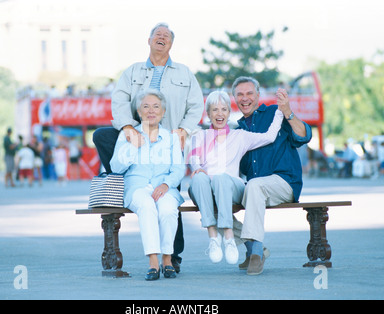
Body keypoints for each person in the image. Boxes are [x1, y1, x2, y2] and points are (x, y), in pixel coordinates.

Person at [92, 22, 204, 272]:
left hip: (169, 141)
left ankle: (172, 256)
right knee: (101, 135)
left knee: (169, 199)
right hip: (139, 135)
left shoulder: (184, 73)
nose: (161, 38)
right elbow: (119, 100)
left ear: (171, 44)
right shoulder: (133, 71)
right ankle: (121, 177)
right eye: (157, 35)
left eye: (166, 36)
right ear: (149, 40)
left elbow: (196, 106)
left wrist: (184, 130)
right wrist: (128, 129)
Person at [187, 91, 283, 265]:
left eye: (224, 109)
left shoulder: (239, 136)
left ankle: (229, 237)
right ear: (208, 114)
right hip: (204, 188)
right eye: (215, 109)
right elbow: (193, 160)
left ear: (228, 113)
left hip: (230, 186)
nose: (219, 114)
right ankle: (213, 237)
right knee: (201, 178)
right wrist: (198, 169)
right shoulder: (199, 136)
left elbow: (269, 137)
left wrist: (280, 112)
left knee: (220, 178)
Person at [231, 76, 312, 275]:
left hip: (284, 182)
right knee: (213, 198)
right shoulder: (236, 130)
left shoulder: (275, 113)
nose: (245, 98)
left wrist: (288, 112)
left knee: (255, 185)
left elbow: (304, 136)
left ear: (258, 95)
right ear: (234, 98)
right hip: (254, 188)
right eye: (240, 94)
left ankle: (256, 254)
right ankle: (252, 249)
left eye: (249, 93)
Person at [110, 89, 186, 281]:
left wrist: (166, 185)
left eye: (156, 107)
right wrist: (133, 146)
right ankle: (153, 261)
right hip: (137, 188)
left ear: (163, 112)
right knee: (146, 206)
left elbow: (178, 169)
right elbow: (115, 167)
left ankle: (167, 259)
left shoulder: (171, 138)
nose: (151, 111)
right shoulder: (127, 135)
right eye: (146, 106)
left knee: (169, 208)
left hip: (164, 186)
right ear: (139, 111)